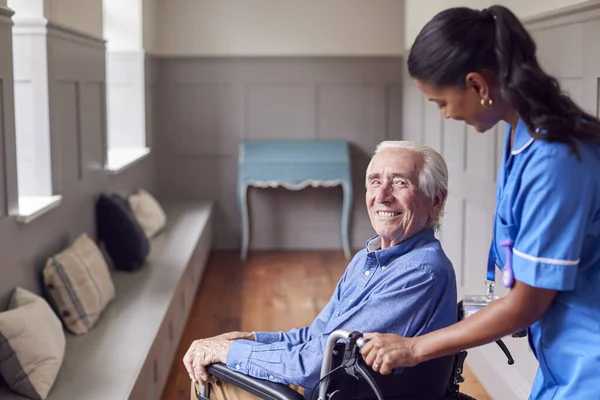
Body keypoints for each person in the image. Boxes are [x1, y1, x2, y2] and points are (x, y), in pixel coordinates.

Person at [360, 5, 600, 400]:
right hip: (561, 353)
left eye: (441, 102)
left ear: (477, 85)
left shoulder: (554, 158)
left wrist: (414, 348)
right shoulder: (522, 134)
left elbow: (526, 304)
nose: (446, 114)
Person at [183, 141, 458, 400]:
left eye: (400, 183)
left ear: (436, 200)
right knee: (212, 359)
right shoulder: (367, 258)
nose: (382, 196)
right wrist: (251, 339)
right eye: (375, 182)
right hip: (324, 386)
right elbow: (318, 337)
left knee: (207, 375)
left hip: (332, 390)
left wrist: (230, 352)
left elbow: (315, 365)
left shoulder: (420, 272)